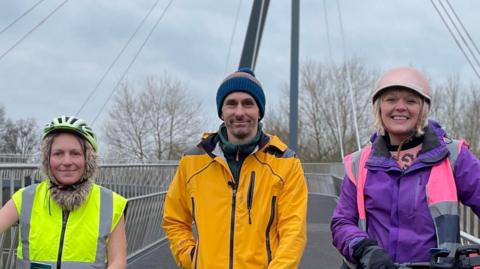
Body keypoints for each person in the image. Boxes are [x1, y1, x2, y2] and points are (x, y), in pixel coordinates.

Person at [330, 67, 480, 269]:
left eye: (411, 101)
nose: (400, 107)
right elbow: (342, 222)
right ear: (379, 108)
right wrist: (364, 249)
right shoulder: (359, 163)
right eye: (391, 99)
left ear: (423, 109)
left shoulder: (454, 156)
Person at [163, 67, 308, 269]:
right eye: (231, 104)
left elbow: (293, 232)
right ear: (221, 112)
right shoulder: (193, 161)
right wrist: (191, 258)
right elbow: (174, 219)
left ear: (259, 111)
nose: (239, 112)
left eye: (248, 104)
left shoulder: (286, 163)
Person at [0, 116, 128, 269]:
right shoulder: (25, 197)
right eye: (58, 153)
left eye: (75, 153)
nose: (67, 161)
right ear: (47, 159)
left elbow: (118, 262)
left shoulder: (111, 203)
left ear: (88, 159)